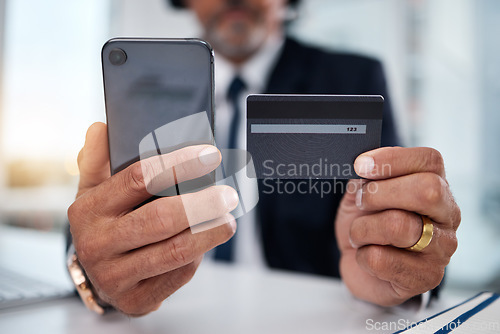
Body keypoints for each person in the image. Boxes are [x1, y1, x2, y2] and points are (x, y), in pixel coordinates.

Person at [66, 0, 461, 316]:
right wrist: (97, 279)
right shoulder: (142, 87)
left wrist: (399, 265)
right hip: (175, 318)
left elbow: (408, 231)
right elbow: (94, 234)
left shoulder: (352, 78)